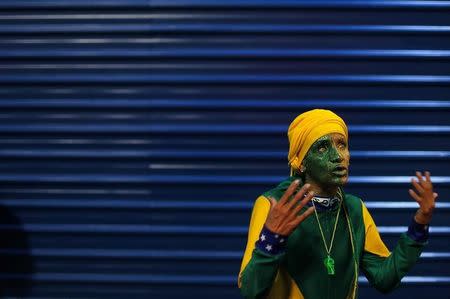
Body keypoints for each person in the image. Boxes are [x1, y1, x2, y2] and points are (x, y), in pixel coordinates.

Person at [238, 109, 438, 299]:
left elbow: (384, 278)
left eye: (342, 144)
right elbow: (251, 290)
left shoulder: (354, 208)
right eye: (323, 147)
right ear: (301, 162)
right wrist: (271, 240)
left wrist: (420, 224)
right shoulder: (274, 204)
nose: (338, 156)